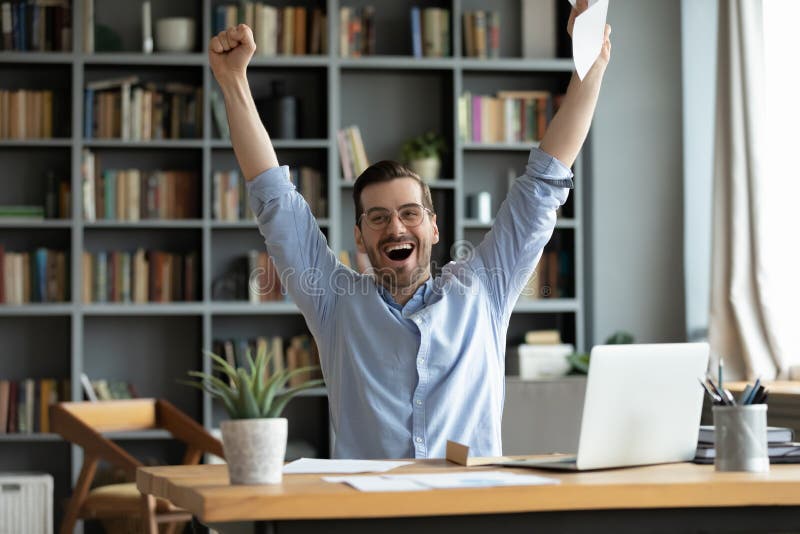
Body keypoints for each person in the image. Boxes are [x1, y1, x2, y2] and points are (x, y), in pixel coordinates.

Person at [209, 0, 611, 459]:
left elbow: (542, 188)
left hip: (471, 511)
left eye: (409, 213)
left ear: (434, 227)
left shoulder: (484, 291)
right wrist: (233, 81)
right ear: (359, 237)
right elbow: (276, 202)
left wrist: (591, 66)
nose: (394, 226)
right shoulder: (335, 305)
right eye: (377, 217)